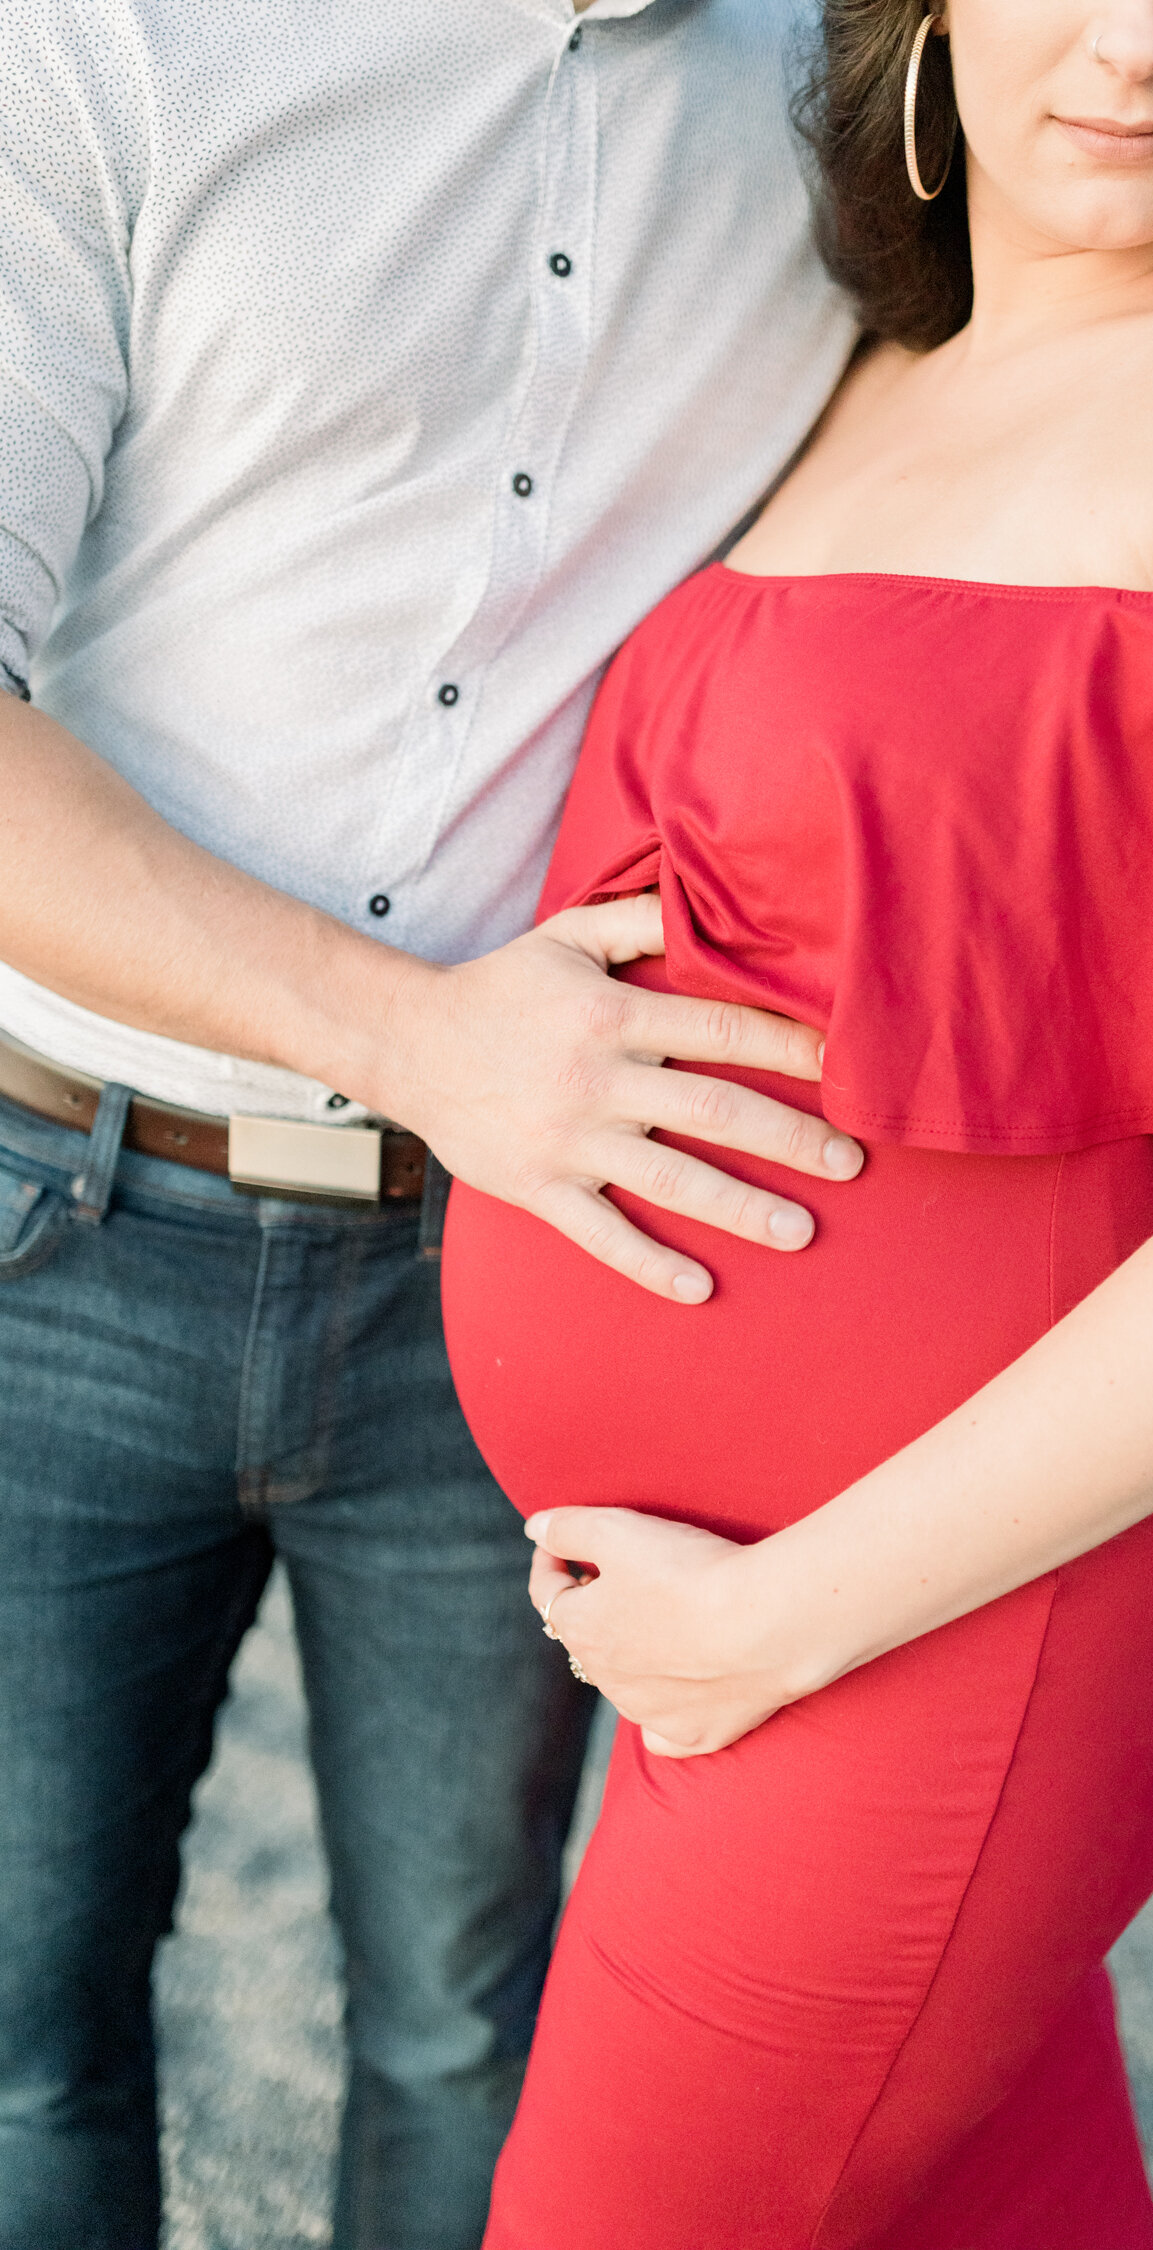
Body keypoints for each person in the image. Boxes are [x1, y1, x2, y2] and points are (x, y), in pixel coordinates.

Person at [440, 0, 1153, 2243]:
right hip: (735, 1620)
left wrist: (783, 1621)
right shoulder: (860, 372)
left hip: (928, 1629)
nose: (1133, 45)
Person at [0, 6, 864, 2246]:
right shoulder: (109, 46)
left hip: (524, 1266)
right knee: (17, 2034)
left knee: (469, 2027)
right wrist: (422, 1037)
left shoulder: (858, 83)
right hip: (47, 1235)